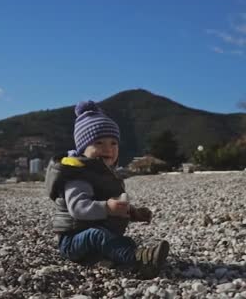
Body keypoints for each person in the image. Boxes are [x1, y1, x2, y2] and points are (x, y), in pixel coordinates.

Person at [45, 100, 170, 279]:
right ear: (83, 148)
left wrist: (133, 213)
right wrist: (107, 207)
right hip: (73, 241)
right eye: (99, 143)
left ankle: (124, 256)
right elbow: (78, 208)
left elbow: (112, 202)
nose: (108, 149)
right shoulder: (77, 175)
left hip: (95, 235)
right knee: (98, 236)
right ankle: (140, 260)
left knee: (119, 241)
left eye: (113, 143)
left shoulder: (103, 173)